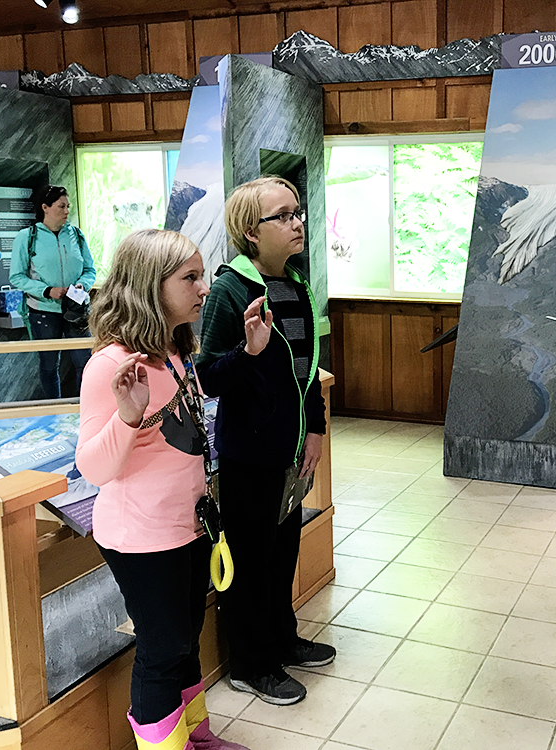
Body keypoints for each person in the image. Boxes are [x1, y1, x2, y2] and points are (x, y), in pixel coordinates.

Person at [75, 229, 248, 750]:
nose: (204, 289)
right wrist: (127, 417)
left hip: (187, 525)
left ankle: (196, 735)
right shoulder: (111, 364)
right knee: (162, 647)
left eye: (202, 275)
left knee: (186, 640)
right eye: (190, 278)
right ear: (152, 286)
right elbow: (94, 469)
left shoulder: (175, 348)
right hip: (141, 536)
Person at [197, 176, 334, 705]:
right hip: (248, 454)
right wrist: (248, 354)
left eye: (297, 212)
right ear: (251, 232)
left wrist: (316, 429)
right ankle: (250, 664)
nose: (297, 222)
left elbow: (308, 370)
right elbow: (208, 377)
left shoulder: (296, 284)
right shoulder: (231, 290)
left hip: (291, 450)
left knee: (282, 553)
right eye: (283, 215)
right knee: (251, 563)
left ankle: (281, 638)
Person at [9, 184, 97, 398]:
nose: (67, 211)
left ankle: (83, 408)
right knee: (49, 365)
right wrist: (47, 291)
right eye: (61, 206)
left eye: (68, 206)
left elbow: (90, 269)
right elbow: (16, 277)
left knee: (85, 361)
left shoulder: (76, 234)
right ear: (45, 208)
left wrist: (82, 285)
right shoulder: (26, 237)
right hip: (43, 311)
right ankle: (54, 411)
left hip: (76, 310)